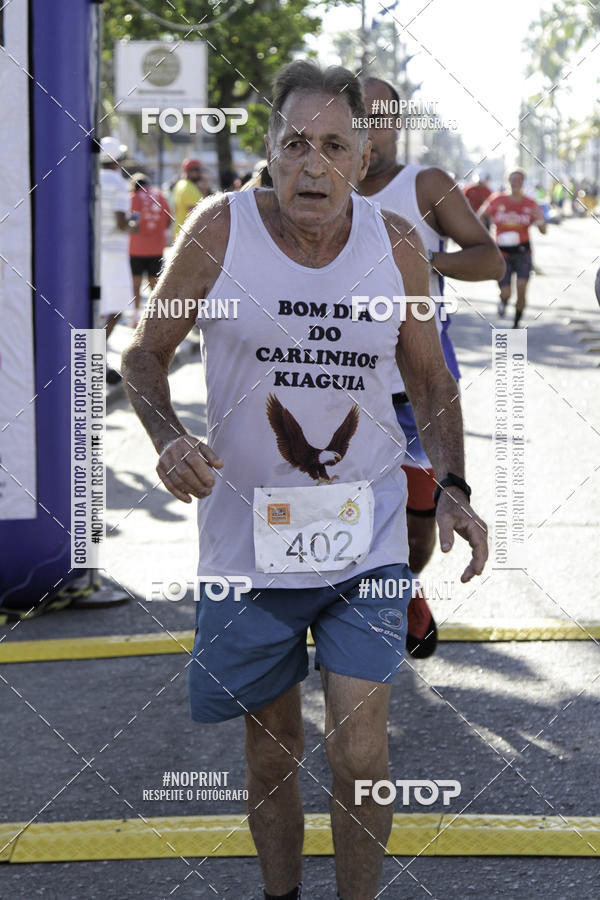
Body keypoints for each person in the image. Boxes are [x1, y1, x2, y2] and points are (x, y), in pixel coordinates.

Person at [122, 60, 489, 900]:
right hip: (248, 542)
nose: (312, 165)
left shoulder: (395, 246)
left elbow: (430, 379)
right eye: (295, 144)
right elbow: (144, 353)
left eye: (333, 146)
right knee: (271, 751)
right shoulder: (220, 230)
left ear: (363, 158)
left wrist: (456, 488)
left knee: (359, 749)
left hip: (366, 533)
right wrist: (168, 438)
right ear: (269, 149)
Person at [357, 77, 503, 657]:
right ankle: (357, 618)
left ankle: (405, 586)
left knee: (418, 533)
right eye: (359, 116)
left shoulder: (424, 185)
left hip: (416, 387)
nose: (370, 129)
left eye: (380, 116)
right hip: (341, 385)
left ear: (397, 122)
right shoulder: (319, 183)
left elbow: (490, 260)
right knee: (343, 511)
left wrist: (421, 258)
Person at [479, 168, 546, 328]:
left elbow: (543, 230)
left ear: (523, 182)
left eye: (519, 180)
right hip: (502, 253)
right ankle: (503, 301)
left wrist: (539, 220)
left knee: (522, 289)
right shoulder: (497, 200)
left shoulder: (531, 203)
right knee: (506, 292)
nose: (516, 183)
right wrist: (485, 236)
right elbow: (480, 216)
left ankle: (516, 324)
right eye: (512, 180)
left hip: (523, 252)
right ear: (507, 181)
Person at [98, 136, 139, 383]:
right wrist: (134, 224)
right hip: (113, 254)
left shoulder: (91, 179)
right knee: (114, 309)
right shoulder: (118, 183)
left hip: (94, 253)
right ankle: (94, 354)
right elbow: (122, 222)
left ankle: (96, 358)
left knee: (98, 308)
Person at [129, 173, 172, 326]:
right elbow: (169, 219)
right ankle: (155, 317)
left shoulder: (133, 198)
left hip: (136, 248)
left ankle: (135, 317)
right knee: (155, 285)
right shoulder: (160, 196)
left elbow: (133, 221)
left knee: (136, 284)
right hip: (156, 248)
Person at [172, 158, 206, 240]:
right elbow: (195, 216)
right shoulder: (189, 189)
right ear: (190, 171)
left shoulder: (180, 184)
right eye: (198, 170)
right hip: (189, 236)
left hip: (180, 233)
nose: (201, 173)